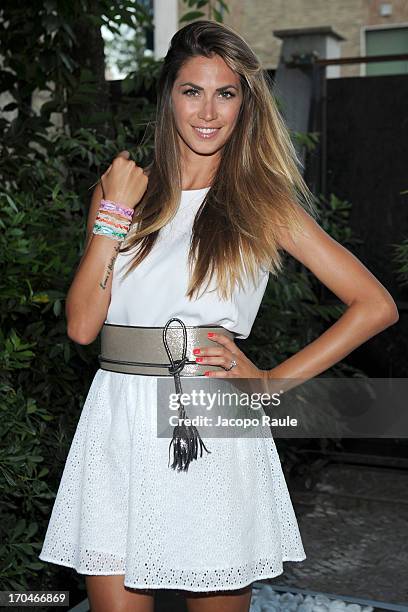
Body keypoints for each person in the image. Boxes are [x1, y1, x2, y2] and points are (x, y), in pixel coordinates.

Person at [38, 19, 399, 612]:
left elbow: (375, 305)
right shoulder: (123, 190)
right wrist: (112, 216)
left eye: (226, 93)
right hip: (117, 420)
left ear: (244, 104)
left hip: (209, 417)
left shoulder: (262, 203)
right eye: (192, 91)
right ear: (168, 98)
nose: (209, 110)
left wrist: (267, 383)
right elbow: (81, 327)